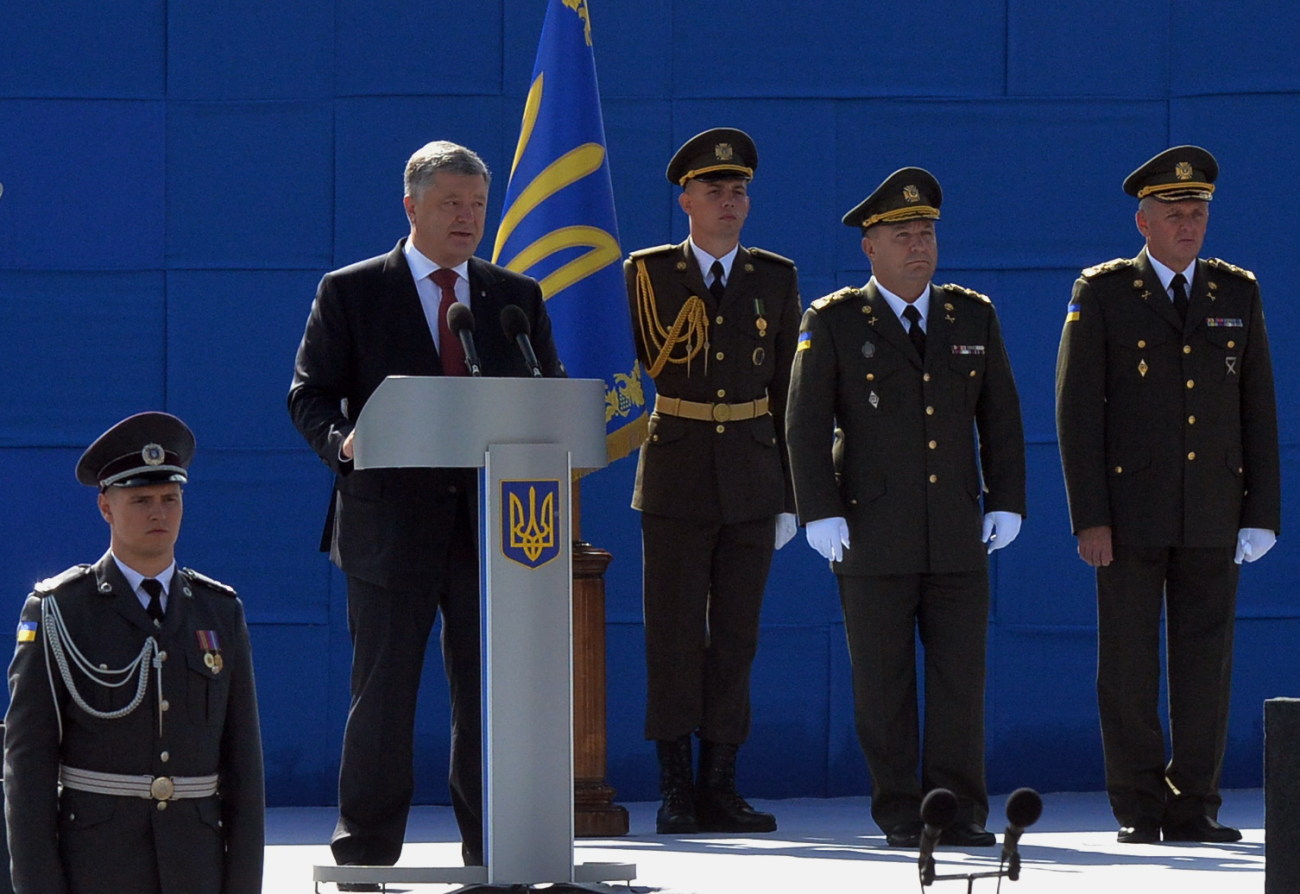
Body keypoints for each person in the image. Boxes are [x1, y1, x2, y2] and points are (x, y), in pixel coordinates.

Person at [287, 140, 565, 879]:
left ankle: (497, 850)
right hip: (387, 523)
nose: (468, 218)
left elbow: (549, 396)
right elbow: (308, 393)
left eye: (477, 205)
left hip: (500, 533)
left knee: (491, 700)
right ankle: (366, 856)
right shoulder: (351, 291)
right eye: (451, 204)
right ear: (410, 207)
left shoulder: (515, 299)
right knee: (383, 697)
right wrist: (342, 442)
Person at [785, 168, 1026, 848]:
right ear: (870, 246)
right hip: (872, 530)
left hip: (955, 530)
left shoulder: (971, 315)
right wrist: (818, 510)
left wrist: (1007, 499)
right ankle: (900, 809)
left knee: (959, 683)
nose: (917, 246)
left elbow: (1001, 416)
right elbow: (803, 424)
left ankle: (959, 810)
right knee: (883, 685)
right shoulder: (833, 321)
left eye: (926, 233)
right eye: (901, 235)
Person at [1055, 146, 1280, 845]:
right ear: (1143, 221)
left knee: (1205, 669)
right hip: (1129, 515)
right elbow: (1077, 412)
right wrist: (1089, 516)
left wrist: (1260, 513)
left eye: (1199, 212)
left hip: (1212, 509)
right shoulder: (1106, 292)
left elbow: (1257, 407)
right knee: (1127, 666)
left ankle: (1196, 806)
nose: (1190, 224)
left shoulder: (1234, 292)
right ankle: (1140, 804)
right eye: (1175, 212)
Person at [4, 412, 265, 894]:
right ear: (105, 507)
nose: (158, 513)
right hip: (97, 868)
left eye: (171, 499)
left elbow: (244, 767)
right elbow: (28, 766)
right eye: (141, 500)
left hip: (195, 868)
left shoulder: (218, 611)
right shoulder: (60, 610)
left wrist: (243, 883)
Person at [625, 127, 800, 834]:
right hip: (674, 470)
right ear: (685, 200)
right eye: (715, 191)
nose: (730, 202)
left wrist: (793, 493)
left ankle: (721, 782)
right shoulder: (647, 273)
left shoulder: (775, 278)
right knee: (670, 634)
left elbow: (790, 388)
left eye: (739, 191)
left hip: (753, 477)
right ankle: (674, 787)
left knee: (735, 636)